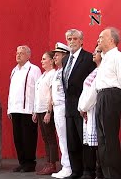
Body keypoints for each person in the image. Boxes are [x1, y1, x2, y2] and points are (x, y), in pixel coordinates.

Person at [62, 29, 96, 178]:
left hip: (83, 106)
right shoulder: (65, 60)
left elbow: (92, 82)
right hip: (68, 106)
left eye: (75, 38)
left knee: (85, 141)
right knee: (72, 141)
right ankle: (76, 171)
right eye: (69, 39)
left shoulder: (88, 58)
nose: (71, 41)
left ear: (81, 41)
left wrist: (86, 105)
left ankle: (88, 171)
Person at [7, 45, 41, 172]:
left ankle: (30, 163)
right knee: (18, 137)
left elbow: (38, 89)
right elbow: (12, 90)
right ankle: (22, 162)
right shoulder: (14, 70)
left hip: (28, 110)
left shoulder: (34, 69)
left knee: (29, 137)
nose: (18, 55)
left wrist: (35, 109)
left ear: (28, 55)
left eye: (21, 53)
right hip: (15, 109)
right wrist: (9, 109)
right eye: (17, 52)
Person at [95, 27, 121, 179]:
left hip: (112, 96)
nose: (98, 40)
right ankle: (106, 174)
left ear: (111, 40)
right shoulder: (104, 59)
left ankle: (114, 175)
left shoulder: (117, 57)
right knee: (102, 139)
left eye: (101, 37)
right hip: (101, 96)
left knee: (109, 138)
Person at [78, 45, 103, 179]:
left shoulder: (102, 72)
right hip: (87, 110)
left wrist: (84, 107)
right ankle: (91, 171)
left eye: (98, 51)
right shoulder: (94, 71)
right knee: (90, 144)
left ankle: (99, 172)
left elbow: (93, 93)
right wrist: (81, 107)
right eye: (94, 51)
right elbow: (84, 92)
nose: (94, 53)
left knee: (98, 143)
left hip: (94, 110)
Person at [32, 51, 58, 175]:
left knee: (50, 137)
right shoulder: (43, 75)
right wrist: (35, 111)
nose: (41, 61)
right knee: (45, 138)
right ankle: (48, 162)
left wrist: (49, 112)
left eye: (44, 59)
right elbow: (38, 95)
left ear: (52, 61)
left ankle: (52, 164)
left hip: (47, 111)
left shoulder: (53, 74)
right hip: (40, 110)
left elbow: (51, 95)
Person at [50, 42, 72, 179]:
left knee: (65, 138)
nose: (55, 57)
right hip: (57, 107)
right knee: (61, 138)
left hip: (63, 106)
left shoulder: (66, 70)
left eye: (57, 54)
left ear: (65, 55)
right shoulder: (57, 71)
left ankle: (68, 166)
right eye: (54, 55)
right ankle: (65, 165)